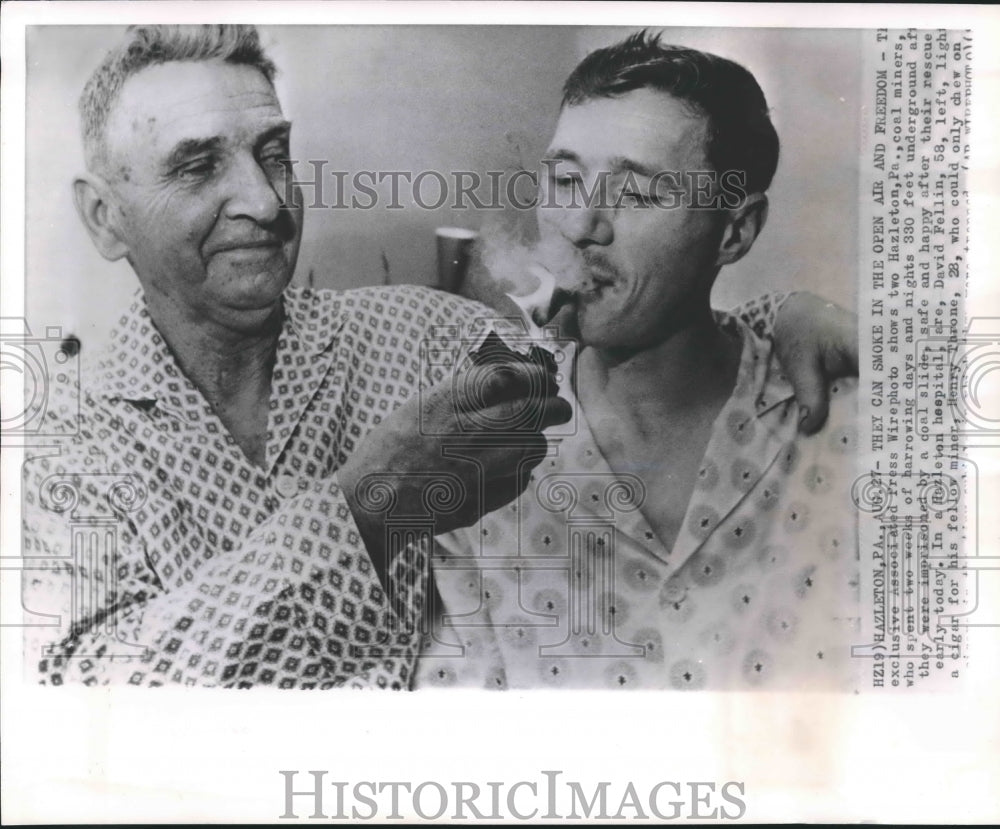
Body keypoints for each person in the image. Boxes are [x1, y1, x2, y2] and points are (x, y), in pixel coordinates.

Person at [22, 24, 856, 689]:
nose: (266, 201)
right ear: (104, 218)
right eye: (198, 165)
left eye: (274, 153)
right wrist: (365, 506)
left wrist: (786, 319)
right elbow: (82, 701)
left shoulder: (420, 337)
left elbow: (628, 340)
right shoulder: (56, 448)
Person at [418, 32, 861, 690]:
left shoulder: (843, 428)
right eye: (565, 180)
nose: (580, 225)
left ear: (734, 231)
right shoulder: (484, 460)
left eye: (635, 194)